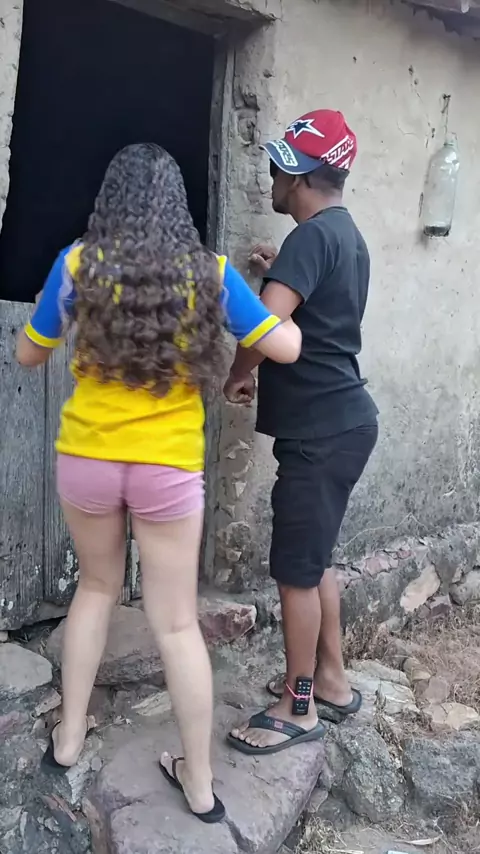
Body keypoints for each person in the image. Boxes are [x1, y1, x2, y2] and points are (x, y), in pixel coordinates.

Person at [16, 143, 302, 820]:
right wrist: (273, 295)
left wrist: (60, 310)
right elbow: (285, 347)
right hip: (167, 468)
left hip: (88, 457)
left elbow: (28, 353)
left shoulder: (78, 264)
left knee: (95, 589)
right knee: (175, 624)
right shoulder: (211, 273)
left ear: (109, 202)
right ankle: (199, 785)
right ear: (178, 206)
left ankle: (68, 738)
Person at [224, 110, 379, 755]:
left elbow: (265, 328)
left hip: (321, 432)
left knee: (294, 571)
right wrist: (280, 267)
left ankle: (299, 704)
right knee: (316, 564)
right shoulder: (344, 237)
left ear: (301, 176)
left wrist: (238, 375)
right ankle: (333, 681)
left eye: (278, 168)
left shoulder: (310, 240)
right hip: (342, 423)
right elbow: (312, 307)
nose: (271, 179)